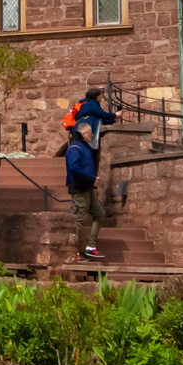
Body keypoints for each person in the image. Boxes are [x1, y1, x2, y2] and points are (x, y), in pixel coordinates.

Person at [65, 99, 116, 263]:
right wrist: (91, 177)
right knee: (79, 219)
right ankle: (74, 252)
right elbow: (75, 168)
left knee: (99, 214)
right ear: (83, 134)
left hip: (88, 188)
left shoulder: (85, 147)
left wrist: (92, 180)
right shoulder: (75, 148)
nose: (92, 135)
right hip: (79, 188)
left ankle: (90, 246)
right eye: (89, 133)